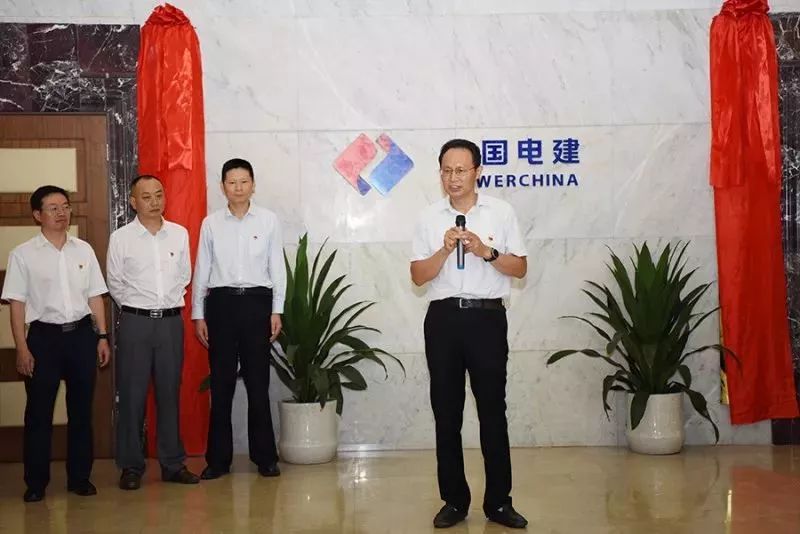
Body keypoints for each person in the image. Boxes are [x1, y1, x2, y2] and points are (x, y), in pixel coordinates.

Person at [410, 139, 529, 529]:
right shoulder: (429, 217)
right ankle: (454, 501)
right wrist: (444, 251)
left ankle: (499, 503)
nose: (453, 178)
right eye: (446, 170)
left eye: (461, 170)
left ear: (478, 171)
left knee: (493, 411)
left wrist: (485, 251)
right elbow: (418, 276)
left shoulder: (501, 212)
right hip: (443, 320)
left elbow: (520, 268)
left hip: (487, 320)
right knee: (446, 413)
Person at [1, 185, 111, 502]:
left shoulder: (83, 250)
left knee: (81, 412)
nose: (62, 213)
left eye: (65, 206)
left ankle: (80, 478)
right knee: (39, 413)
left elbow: (95, 296)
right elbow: (17, 305)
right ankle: (36, 483)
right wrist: (22, 348)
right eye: (53, 208)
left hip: (81, 336)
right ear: (37, 215)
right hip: (43, 339)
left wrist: (102, 336)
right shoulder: (23, 254)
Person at [192, 158, 286, 479]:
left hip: (258, 304)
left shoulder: (269, 221)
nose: (238, 188)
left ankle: (265, 457)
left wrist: (276, 310)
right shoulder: (211, 224)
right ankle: (218, 460)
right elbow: (202, 269)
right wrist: (198, 314)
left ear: (253, 185)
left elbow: (277, 268)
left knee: (258, 384)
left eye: (244, 181)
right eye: (231, 182)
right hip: (221, 305)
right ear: (223, 187)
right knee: (221, 386)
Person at [107, 174, 200, 490]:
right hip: (136, 322)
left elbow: (184, 275)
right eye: (146, 197)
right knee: (132, 396)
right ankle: (131, 466)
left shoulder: (179, 234)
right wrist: (139, 307)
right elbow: (115, 282)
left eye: (159, 195)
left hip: (171, 323)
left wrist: (163, 306)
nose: (154, 201)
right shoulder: (121, 238)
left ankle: (173, 464)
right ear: (133, 202)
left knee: (169, 394)